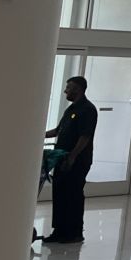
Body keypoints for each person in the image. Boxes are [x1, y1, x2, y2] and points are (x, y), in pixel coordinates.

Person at [40, 76, 97, 245]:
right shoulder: (70, 109)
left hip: (77, 161)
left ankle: (74, 233)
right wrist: (39, 135)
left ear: (78, 89)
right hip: (62, 158)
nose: (65, 91)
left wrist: (72, 156)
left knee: (73, 194)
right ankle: (59, 231)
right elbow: (58, 130)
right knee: (60, 193)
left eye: (69, 88)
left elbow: (85, 136)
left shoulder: (87, 110)